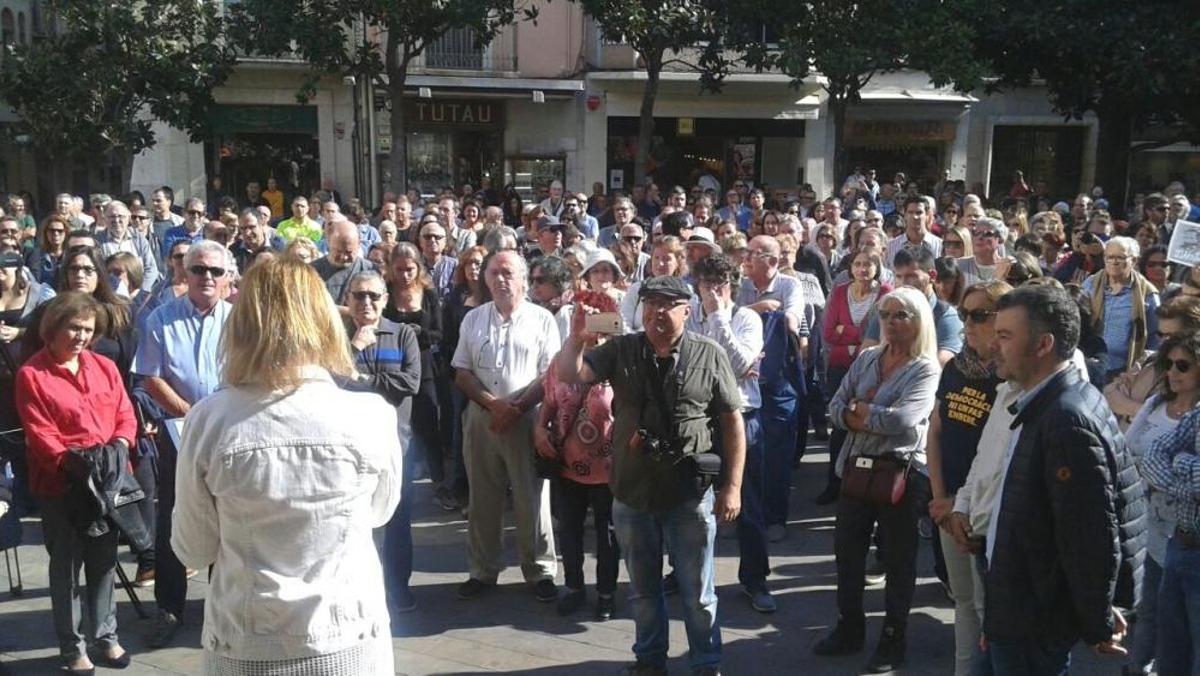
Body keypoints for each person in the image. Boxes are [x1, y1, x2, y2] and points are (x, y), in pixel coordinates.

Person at [171, 257, 401, 674]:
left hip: (247, 639)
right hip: (349, 634)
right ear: (324, 320)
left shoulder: (209, 419)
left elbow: (194, 547)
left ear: (242, 325)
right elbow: (377, 513)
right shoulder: (372, 415)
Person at [557, 275, 745, 675]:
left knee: (698, 593)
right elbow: (571, 375)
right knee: (643, 591)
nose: (658, 311)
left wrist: (733, 487)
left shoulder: (709, 353)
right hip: (633, 492)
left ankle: (706, 663)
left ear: (687, 311)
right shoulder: (622, 349)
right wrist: (576, 338)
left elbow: (733, 422)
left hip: (688, 493)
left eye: (667, 304)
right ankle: (649, 659)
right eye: (651, 303)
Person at [984, 284, 1144, 673]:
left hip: (1032, 620)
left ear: (1043, 345)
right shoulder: (1056, 401)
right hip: (1015, 608)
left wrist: (1097, 618)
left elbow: (1088, 533)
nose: (993, 346)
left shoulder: (1065, 419)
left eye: (1004, 336)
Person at [815, 287, 941, 673]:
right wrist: (864, 414)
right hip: (857, 468)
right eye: (884, 315)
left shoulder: (926, 369)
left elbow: (903, 421)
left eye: (900, 314)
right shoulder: (869, 357)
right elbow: (834, 407)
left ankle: (892, 637)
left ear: (919, 321)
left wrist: (860, 412)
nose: (890, 322)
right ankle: (849, 628)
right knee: (847, 552)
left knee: (899, 559)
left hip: (902, 473)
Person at [15, 292, 137, 674]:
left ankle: (106, 637)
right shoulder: (32, 374)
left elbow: (125, 413)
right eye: (74, 327)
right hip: (62, 487)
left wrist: (119, 445)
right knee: (66, 569)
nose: (81, 336)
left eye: (87, 329)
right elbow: (41, 435)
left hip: (107, 484)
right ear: (53, 327)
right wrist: (79, 466)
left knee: (104, 563)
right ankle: (72, 647)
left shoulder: (104, 367)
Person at [132, 239, 234, 648]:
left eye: (215, 271)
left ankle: (220, 608)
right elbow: (150, 377)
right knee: (174, 517)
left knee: (227, 517)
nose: (207, 277)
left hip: (228, 433)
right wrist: (193, 414)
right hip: (180, 434)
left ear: (227, 277)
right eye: (199, 269)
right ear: (184, 273)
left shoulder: (241, 320)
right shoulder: (160, 318)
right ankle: (169, 607)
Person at [451, 250, 560, 601]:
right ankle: (482, 570)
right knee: (483, 497)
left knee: (532, 497)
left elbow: (550, 374)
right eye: (494, 272)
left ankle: (540, 569)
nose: (501, 279)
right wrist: (493, 404)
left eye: (508, 272)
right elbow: (462, 371)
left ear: (523, 279)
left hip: (527, 417)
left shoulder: (542, 320)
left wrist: (517, 408)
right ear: (484, 278)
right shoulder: (473, 319)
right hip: (482, 417)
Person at [926, 280, 1010, 676]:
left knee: (986, 606)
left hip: (986, 509)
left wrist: (960, 503)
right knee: (963, 602)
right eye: (964, 314)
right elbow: (936, 431)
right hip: (949, 505)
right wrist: (940, 497)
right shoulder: (956, 368)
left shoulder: (1009, 376)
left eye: (979, 315)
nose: (968, 324)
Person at [687, 254, 776, 612]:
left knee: (747, 503)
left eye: (720, 284)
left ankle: (755, 579)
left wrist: (718, 317)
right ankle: (687, 573)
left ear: (732, 287)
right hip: (698, 418)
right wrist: (730, 365)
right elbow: (688, 366)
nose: (713, 291)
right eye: (706, 284)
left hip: (741, 417)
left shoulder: (746, 318)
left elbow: (736, 364)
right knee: (691, 504)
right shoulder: (687, 316)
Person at [536, 289, 618, 620]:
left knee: (608, 535)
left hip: (609, 469)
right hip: (568, 464)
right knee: (569, 531)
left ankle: (606, 593)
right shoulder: (562, 360)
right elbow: (550, 401)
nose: (590, 322)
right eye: (585, 315)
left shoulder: (618, 361)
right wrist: (539, 429)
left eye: (599, 316)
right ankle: (574, 587)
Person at [1123, 335, 1200, 675]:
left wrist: (1180, 464)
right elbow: (1148, 453)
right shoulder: (1168, 408)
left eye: (1183, 366)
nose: (1173, 372)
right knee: (1166, 639)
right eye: (1169, 364)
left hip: (1187, 542)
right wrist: (1185, 473)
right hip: (1170, 539)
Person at [818, 250, 892, 504]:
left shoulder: (886, 293)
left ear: (877, 268)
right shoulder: (840, 292)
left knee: (865, 423)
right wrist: (859, 335)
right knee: (840, 425)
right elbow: (829, 332)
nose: (862, 269)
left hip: (872, 369)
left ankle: (862, 487)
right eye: (857, 264)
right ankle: (834, 484)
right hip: (840, 366)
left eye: (867, 264)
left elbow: (878, 333)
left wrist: (847, 332)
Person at [383, 243, 446, 498]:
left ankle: (439, 480)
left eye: (410, 269)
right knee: (395, 425)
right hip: (392, 364)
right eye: (399, 269)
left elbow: (439, 332)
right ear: (391, 269)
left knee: (429, 423)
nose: (405, 275)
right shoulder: (385, 293)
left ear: (418, 268)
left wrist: (418, 334)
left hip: (423, 365)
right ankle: (396, 482)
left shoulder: (428, 294)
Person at [441, 246, 488, 511]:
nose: (473, 268)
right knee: (463, 430)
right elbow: (448, 335)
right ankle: (462, 486)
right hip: (462, 372)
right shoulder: (456, 296)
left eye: (479, 263)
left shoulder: (493, 295)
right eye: (469, 264)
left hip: (490, 372)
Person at [1081, 236, 1160, 379]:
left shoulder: (1147, 294)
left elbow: (1155, 338)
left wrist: (1140, 369)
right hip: (1089, 365)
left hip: (1123, 372)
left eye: (1120, 257)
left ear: (1134, 260)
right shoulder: (1090, 284)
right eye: (1109, 257)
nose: (1114, 262)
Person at [313, 219, 376, 316]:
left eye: (349, 252)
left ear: (359, 244)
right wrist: (353, 312)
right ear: (328, 242)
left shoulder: (370, 270)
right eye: (338, 251)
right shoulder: (312, 271)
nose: (344, 257)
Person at [96, 201, 161, 293]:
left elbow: (151, 268)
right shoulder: (97, 241)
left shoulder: (139, 239)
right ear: (105, 218)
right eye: (112, 216)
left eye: (120, 216)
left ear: (129, 218)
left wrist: (140, 292)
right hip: (109, 294)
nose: (116, 220)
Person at [884, 196, 943, 268]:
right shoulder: (891, 246)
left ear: (927, 215)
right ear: (905, 215)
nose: (914, 217)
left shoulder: (940, 245)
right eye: (910, 212)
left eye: (919, 213)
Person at [957, 217, 1007, 286]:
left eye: (987, 234)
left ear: (1000, 240)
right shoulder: (959, 266)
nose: (979, 237)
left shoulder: (1007, 268)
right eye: (975, 233)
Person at [159, 197, 207, 264]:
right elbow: (168, 259)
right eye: (192, 212)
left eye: (200, 213)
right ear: (184, 213)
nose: (196, 216)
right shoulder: (171, 233)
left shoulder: (208, 233)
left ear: (204, 216)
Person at [26, 214, 69, 286]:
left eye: (60, 231)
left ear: (66, 233)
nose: (56, 233)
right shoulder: (36, 255)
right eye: (52, 230)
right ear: (46, 233)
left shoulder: (70, 255)